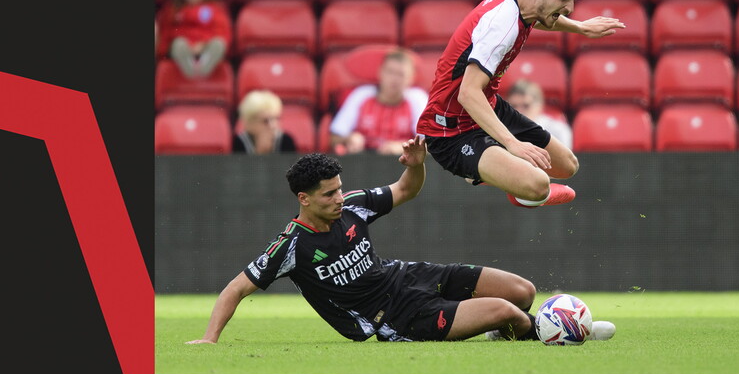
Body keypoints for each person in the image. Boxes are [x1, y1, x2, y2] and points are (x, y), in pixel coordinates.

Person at [184, 142, 616, 343]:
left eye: (339, 188)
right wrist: (209, 339)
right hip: (393, 316)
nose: (339, 197)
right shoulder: (291, 246)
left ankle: (520, 326)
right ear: (304, 199)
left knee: (522, 291)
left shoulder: (353, 205)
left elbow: (406, 189)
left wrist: (417, 164)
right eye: (329, 193)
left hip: (407, 276)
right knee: (508, 311)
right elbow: (236, 288)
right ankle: (554, 333)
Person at [415, 0, 625, 209]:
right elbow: (467, 93)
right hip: (450, 130)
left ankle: (503, 171)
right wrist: (513, 145)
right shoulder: (502, 26)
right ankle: (494, 175)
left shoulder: (521, 0)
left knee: (566, 165)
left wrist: (580, 27)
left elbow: (544, 17)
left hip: (488, 107)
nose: (570, 8)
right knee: (538, 186)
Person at [329, 49, 429, 156]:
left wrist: (403, 147)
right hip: (363, 161)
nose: (394, 79)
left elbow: (431, 145)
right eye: (390, 72)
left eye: (401, 74)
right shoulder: (361, 95)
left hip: (403, 162)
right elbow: (334, 137)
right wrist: (349, 139)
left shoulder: (418, 99)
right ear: (380, 72)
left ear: (411, 78)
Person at [155, 0, 231, 79]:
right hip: (183, 51)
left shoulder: (215, 8)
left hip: (206, 48)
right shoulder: (172, 9)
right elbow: (167, 34)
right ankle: (191, 71)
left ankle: (202, 68)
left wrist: (202, 44)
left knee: (218, 44)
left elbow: (222, 32)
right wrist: (187, 45)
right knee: (178, 44)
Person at [506, 79, 573, 151]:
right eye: (513, 106)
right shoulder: (501, 129)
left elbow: (565, 160)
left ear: (539, 105)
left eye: (526, 106)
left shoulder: (558, 130)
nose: (519, 111)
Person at [233, 89, 297, 154]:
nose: (273, 125)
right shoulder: (240, 141)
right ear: (250, 123)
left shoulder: (286, 141)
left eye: (276, 119)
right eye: (265, 121)